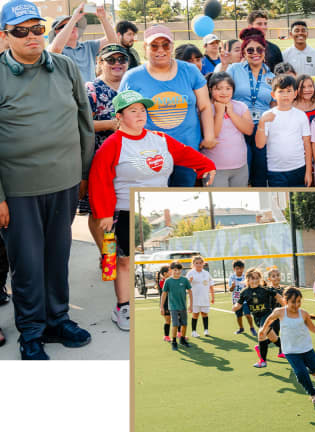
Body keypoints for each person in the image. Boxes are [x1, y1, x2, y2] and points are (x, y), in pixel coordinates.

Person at [0, 0, 95, 360]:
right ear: (5, 36)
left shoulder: (66, 67)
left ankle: (58, 320)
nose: (31, 37)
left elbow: (84, 123)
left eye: (37, 28)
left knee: (58, 257)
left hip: (65, 183)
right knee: (26, 264)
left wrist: (82, 175)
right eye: (20, 31)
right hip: (19, 190)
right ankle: (32, 331)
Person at [88, 90, 215, 332]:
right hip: (125, 212)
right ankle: (123, 307)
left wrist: (206, 165)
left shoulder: (159, 138)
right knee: (124, 263)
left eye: (143, 110)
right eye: (133, 110)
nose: (140, 114)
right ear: (119, 116)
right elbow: (99, 179)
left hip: (153, 208)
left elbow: (185, 154)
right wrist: (103, 213)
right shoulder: (112, 145)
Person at [120, 25, 216, 187]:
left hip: (187, 149)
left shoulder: (190, 71)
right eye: (154, 45)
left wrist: (209, 136)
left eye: (165, 45)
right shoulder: (132, 77)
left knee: (183, 200)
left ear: (172, 47)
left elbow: (205, 106)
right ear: (145, 47)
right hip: (149, 153)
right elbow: (122, 117)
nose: (160, 50)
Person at [80, 44, 129, 257]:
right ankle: (108, 258)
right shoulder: (91, 89)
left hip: (128, 161)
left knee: (123, 213)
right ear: (100, 63)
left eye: (121, 59)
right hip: (99, 162)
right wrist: (111, 124)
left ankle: (122, 257)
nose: (117, 64)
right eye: (111, 60)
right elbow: (80, 124)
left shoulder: (132, 87)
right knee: (101, 212)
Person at [259, 288, 315, 403]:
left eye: (299, 301)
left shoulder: (303, 313)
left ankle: (314, 371)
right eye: (293, 302)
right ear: (286, 301)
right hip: (290, 351)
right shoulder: (279, 312)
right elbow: (269, 319)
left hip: (306, 348)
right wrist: (263, 330)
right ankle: (313, 394)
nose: (296, 304)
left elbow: (312, 328)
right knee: (300, 373)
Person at [228, 28, 275, 187]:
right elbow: (224, 94)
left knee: (261, 170)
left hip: (262, 127)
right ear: (244, 52)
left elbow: (273, 105)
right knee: (243, 167)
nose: (255, 53)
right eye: (250, 50)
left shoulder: (271, 76)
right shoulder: (234, 70)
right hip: (238, 126)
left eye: (259, 49)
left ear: (264, 51)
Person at [255, 74, 312, 187]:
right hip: (275, 171)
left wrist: (308, 172)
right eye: (281, 91)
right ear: (273, 95)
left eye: (289, 91)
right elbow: (260, 144)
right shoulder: (267, 115)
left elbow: (307, 145)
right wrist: (262, 122)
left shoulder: (301, 116)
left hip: (299, 168)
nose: (285, 95)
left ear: (295, 94)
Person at [48, 3, 118, 82]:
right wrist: (73, 19)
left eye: (75, 24)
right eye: (65, 25)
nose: (73, 26)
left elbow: (113, 42)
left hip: (90, 93)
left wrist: (103, 18)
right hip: (68, 94)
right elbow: (56, 48)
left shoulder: (88, 46)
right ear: (56, 32)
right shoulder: (53, 49)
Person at [205, 72, 252, 187]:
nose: (224, 92)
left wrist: (230, 112)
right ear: (211, 90)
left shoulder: (240, 106)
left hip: (240, 166)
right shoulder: (206, 109)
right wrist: (220, 113)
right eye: (218, 89)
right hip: (215, 168)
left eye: (228, 88)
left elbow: (248, 130)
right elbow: (212, 136)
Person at [233, 268, 284, 367]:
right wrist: (235, 307)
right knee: (274, 338)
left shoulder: (265, 289)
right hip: (257, 318)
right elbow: (238, 305)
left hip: (267, 316)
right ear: (248, 279)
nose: (255, 280)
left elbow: (278, 296)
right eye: (252, 278)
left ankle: (263, 361)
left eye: (257, 278)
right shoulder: (245, 292)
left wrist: (286, 307)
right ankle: (290, 350)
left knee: (261, 333)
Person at [160, 261, 193, 351]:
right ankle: (174, 341)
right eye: (175, 270)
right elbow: (164, 294)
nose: (177, 272)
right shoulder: (168, 281)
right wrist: (161, 307)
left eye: (179, 270)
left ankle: (182, 340)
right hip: (173, 307)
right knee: (175, 324)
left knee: (184, 324)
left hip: (183, 306)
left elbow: (190, 292)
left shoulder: (184, 280)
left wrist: (191, 305)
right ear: (171, 270)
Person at [187, 256, 214, 337]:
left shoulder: (206, 273)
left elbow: (211, 285)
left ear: (203, 263)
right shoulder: (190, 273)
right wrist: (189, 281)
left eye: (200, 263)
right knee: (195, 315)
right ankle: (193, 331)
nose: (199, 265)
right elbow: (186, 286)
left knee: (205, 314)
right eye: (197, 263)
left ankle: (206, 330)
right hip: (194, 299)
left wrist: (212, 297)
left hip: (205, 298)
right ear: (193, 264)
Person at [229, 260, 255, 335]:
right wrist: (232, 287)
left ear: (243, 268)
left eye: (241, 268)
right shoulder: (232, 277)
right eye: (237, 268)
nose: (239, 270)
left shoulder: (246, 276)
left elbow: (250, 286)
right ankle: (241, 328)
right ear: (234, 269)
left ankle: (252, 327)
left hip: (245, 300)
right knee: (238, 315)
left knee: (247, 314)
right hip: (236, 300)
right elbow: (230, 290)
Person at [157, 266, 172, 341]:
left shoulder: (171, 280)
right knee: (168, 320)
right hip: (166, 304)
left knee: (178, 319)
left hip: (173, 303)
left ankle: (179, 333)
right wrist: (162, 307)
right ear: (165, 273)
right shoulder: (162, 281)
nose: (172, 272)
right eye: (170, 271)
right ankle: (166, 336)